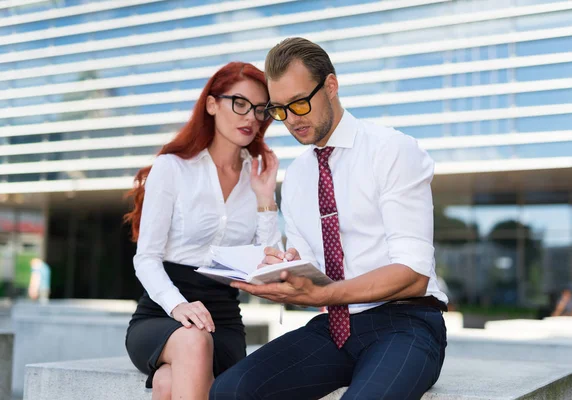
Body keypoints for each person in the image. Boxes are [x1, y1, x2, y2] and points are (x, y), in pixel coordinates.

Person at [210, 38, 448, 400]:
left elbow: (413, 275)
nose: (291, 119)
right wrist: (286, 272)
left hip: (407, 323)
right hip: (334, 326)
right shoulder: (298, 178)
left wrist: (323, 293)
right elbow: (311, 269)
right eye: (279, 110)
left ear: (331, 87)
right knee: (230, 390)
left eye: (300, 103)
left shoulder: (392, 150)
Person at [123, 62, 281, 400]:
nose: (251, 117)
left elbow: (268, 270)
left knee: (167, 383)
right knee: (194, 341)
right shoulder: (173, 167)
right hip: (164, 314)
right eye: (240, 103)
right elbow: (146, 258)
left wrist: (266, 197)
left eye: (260, 109)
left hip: (223, 321)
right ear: (212, 104)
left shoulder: (257, 177)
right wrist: (178, 306)